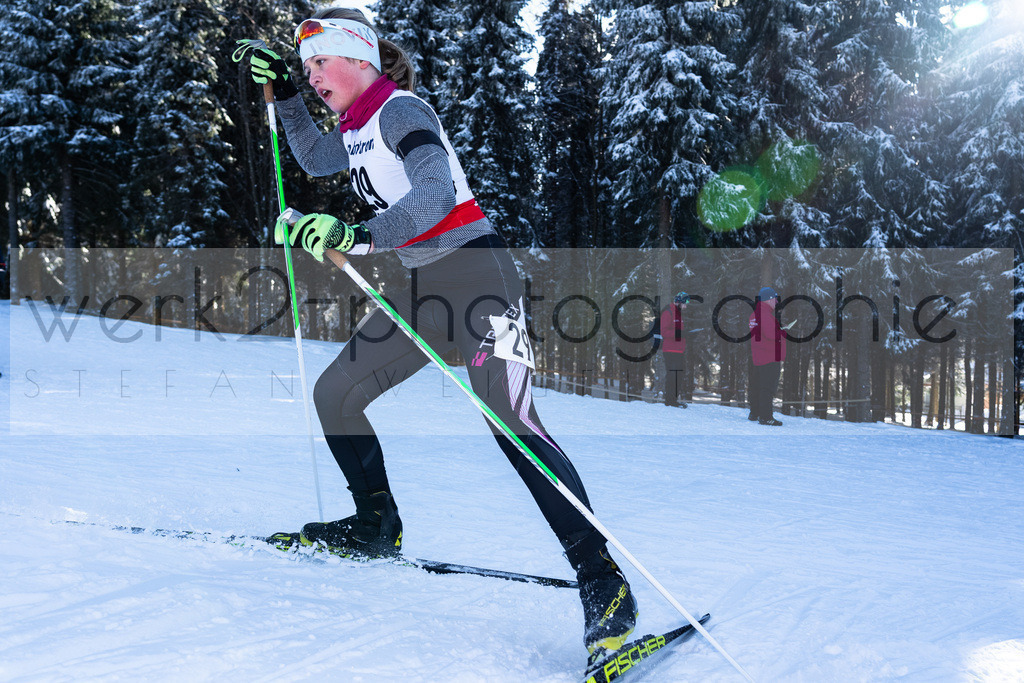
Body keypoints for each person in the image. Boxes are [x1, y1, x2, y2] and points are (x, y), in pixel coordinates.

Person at [242, 8, 637, 659]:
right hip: (425, 290)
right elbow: (313, 157)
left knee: (514, 425)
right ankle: (375, 523)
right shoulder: (357, 126)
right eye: (306, 66)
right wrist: (282, 91)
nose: (313, 75)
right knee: (336, 392)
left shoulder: (400, 111)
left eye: (319, 62)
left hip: (482, 281)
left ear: (359, 57)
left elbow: (433, 191)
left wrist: (358, 235)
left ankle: (606, 586)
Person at [748, 286, 786, 425]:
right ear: (768, 299)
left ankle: (755, 413)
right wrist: (783, 332)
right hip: (770, 356)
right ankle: (766, 417)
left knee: (757, 386)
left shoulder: (755, 314)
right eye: (774, 299)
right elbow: (771, 335)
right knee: (767, 388)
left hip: (759, 355)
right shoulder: (765, 315)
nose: (776, 301)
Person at [656, 291, 689, 408]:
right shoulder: (668, 312)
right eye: (685, 303)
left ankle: (673, 399)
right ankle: (669, 400)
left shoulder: (678, 314)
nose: (686, 306)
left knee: (679, 375)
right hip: (670, 350)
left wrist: (687, 335)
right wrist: (681, 333)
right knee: (672, 375)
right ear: (679, 302)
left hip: (679, 350)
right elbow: (664, 332)